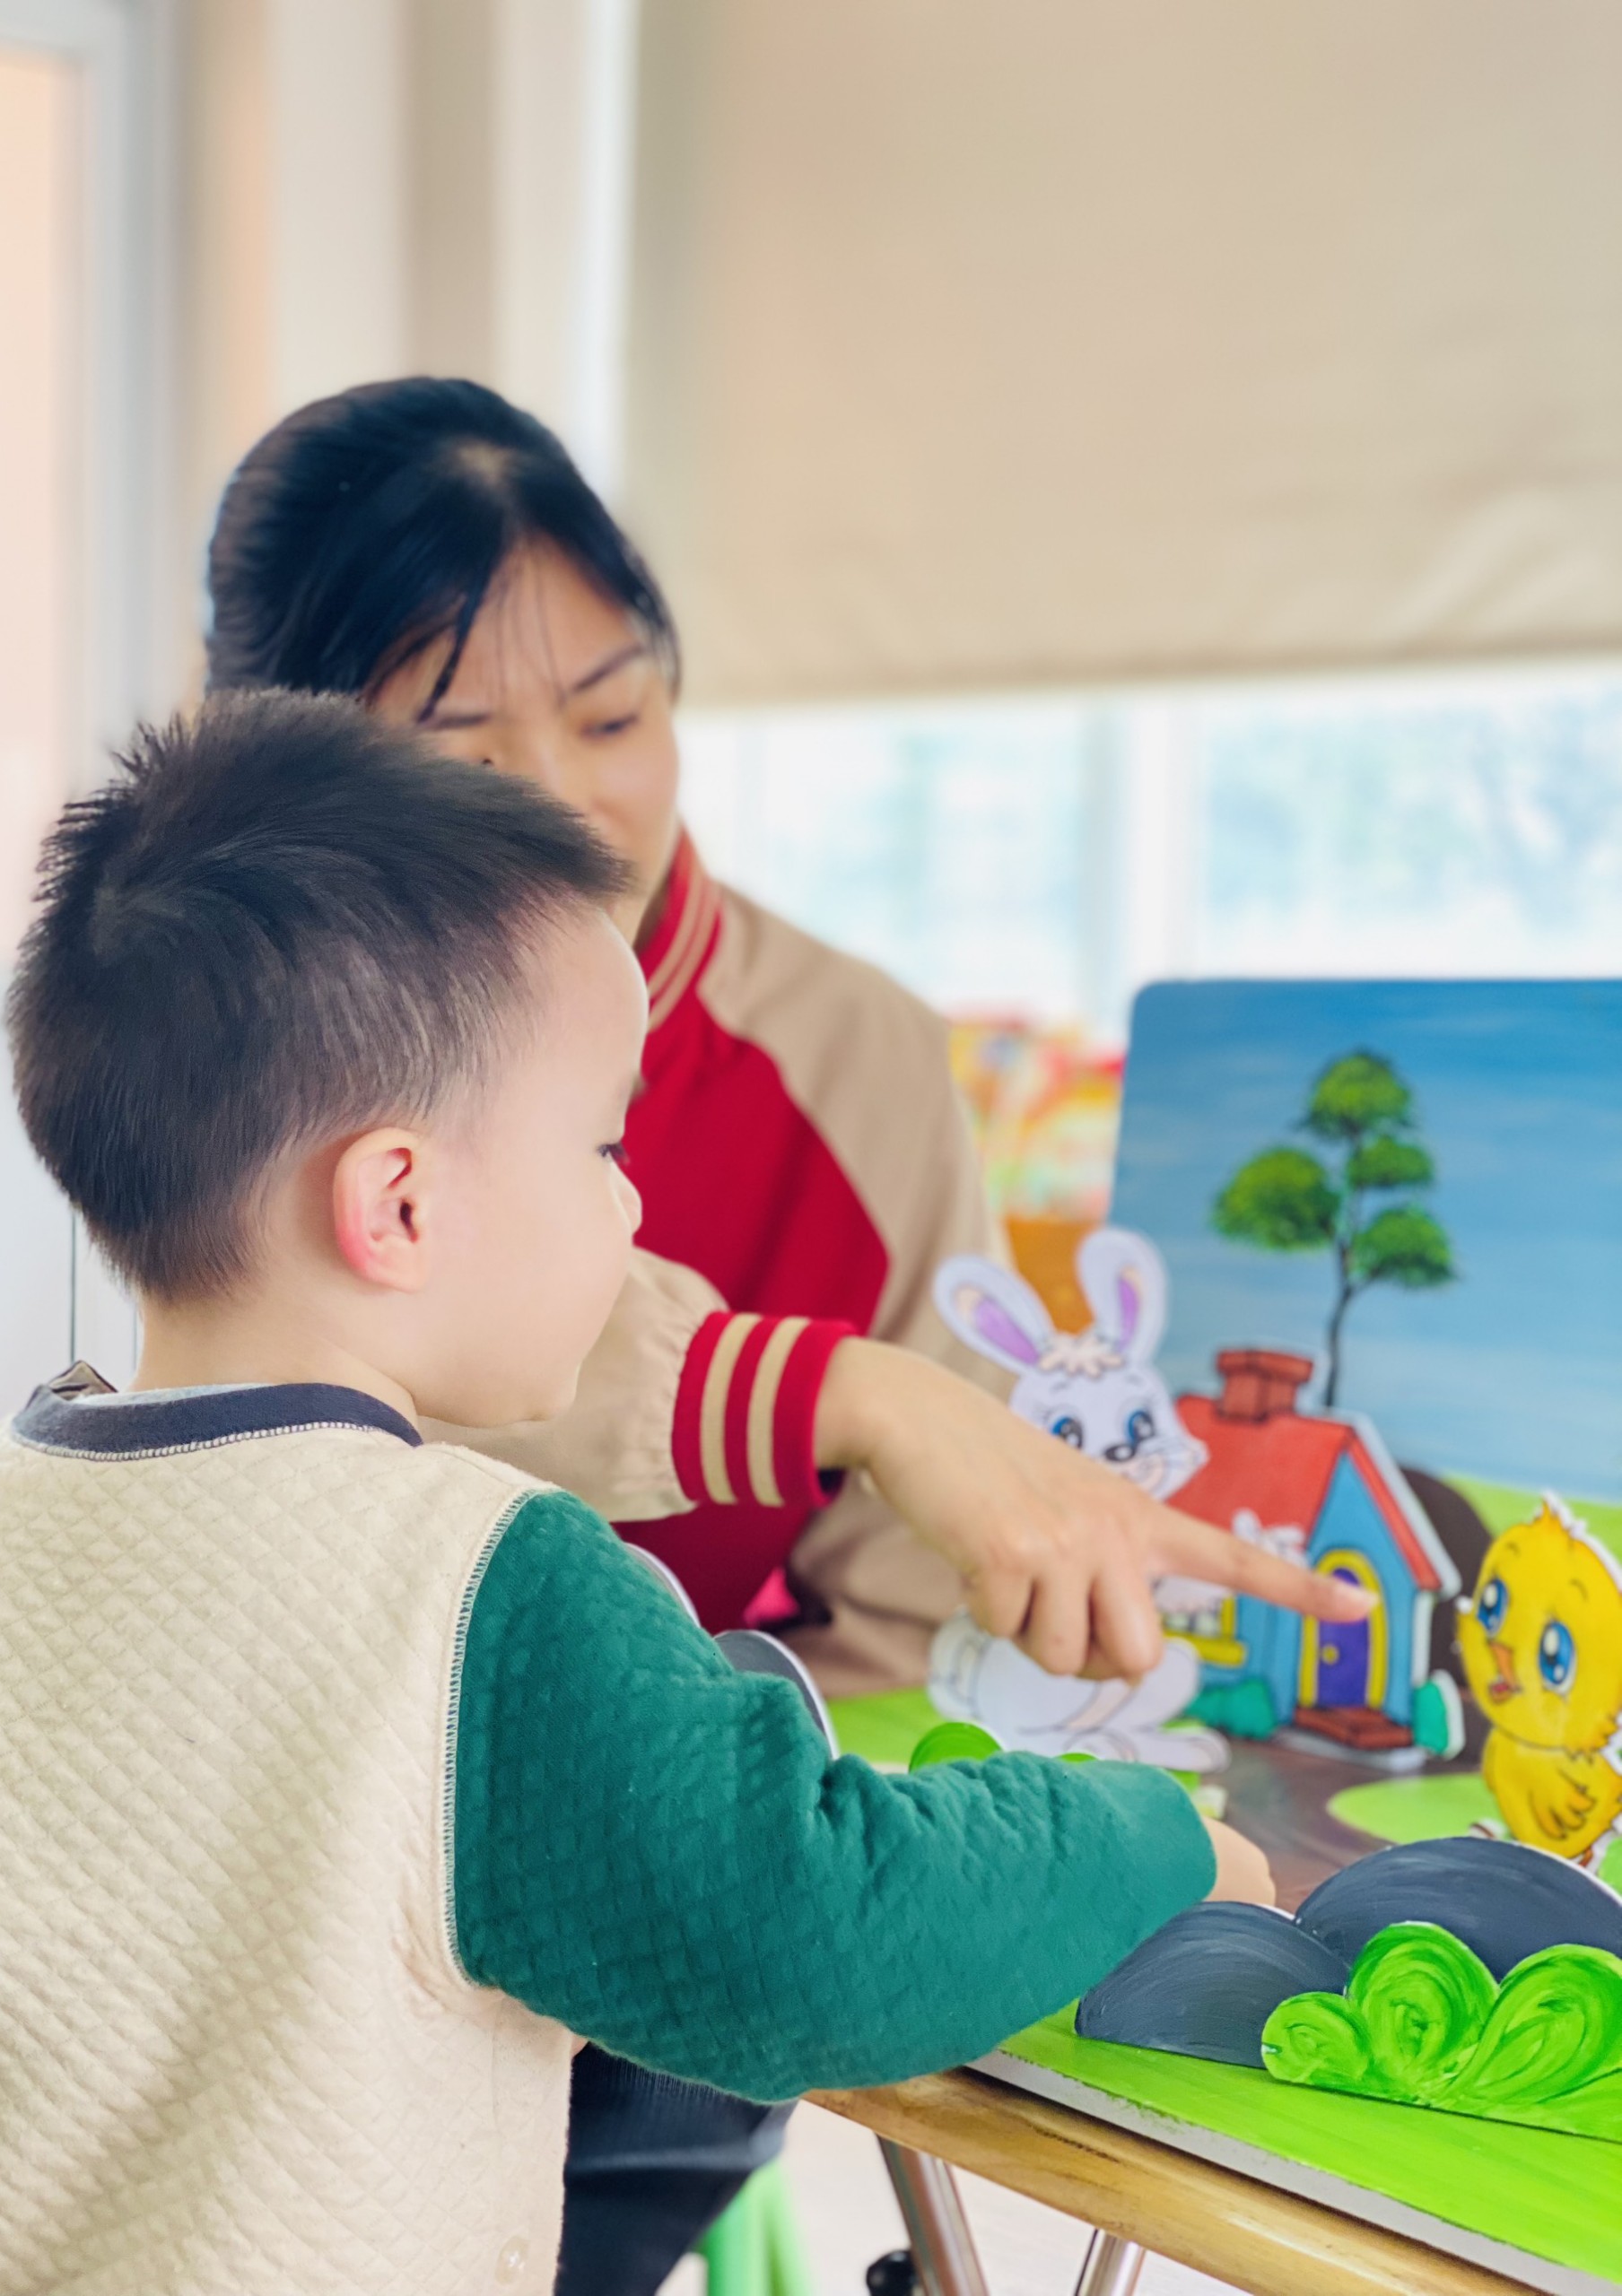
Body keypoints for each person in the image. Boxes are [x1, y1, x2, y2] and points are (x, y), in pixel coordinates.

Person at [202, 379, 1368, 2294]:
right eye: (459, 739)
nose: (564, 797)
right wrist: (827, 1388)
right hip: (337, 1904)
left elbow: (877, 1687)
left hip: (720, 1904)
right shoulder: (244, 1077)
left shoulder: (859, 1064)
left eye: (613, 714)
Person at [0, 691, 1272, 2295]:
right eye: (605, 1147)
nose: (633, 1209)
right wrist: (1152, 1838)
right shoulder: (480, 1592)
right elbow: (818, 1930)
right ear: (398, 1206)